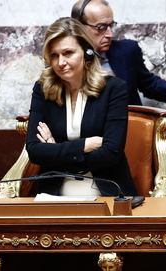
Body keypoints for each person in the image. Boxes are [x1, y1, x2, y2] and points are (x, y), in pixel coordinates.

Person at [25, 17, 136, 197]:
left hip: (106, 190)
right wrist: (84, 145)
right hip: (54, 192)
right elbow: (35, 151)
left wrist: (55, 150)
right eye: (54, 55)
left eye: (68, 53)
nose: (60, 62)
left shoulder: (114, 89)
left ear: (87, 52)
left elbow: (111, 153)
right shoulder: (42, 89)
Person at [72, 0, 166, 109]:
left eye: (111, 25)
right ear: (78, 27)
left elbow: (148, 83)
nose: (110, 34)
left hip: (130, 126)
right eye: (101, 28)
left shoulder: (126, 51)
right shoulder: (65, 60)